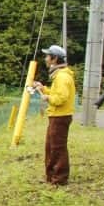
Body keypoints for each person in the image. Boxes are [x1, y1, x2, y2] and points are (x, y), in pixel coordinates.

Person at [31, 44, 76, 186]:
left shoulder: (62, 77)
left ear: (54, 58)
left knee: (57, 148)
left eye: (47, 56)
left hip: (60, 116)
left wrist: (47, 98)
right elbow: (56, 93)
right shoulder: (59, 76)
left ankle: (59, 179)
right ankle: (51, 177)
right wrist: (43, 88)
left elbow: (61, 98)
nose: (45, 59)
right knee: (50, 147)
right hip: (56, 116)